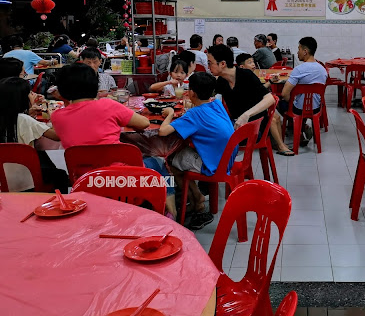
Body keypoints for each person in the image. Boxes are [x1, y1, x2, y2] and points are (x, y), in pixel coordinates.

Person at [51, 64, 177, 217]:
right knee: (158, 162)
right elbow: (144, 123)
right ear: (94, 85)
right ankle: (169, 212)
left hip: (86, 183)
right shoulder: (107, 105)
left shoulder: (57, 117)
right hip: (123, 181)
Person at [159, 72, 236, 230]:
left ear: (191, 93)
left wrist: (170, 114)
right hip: (226, 157)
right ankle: (195, 196)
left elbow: (163, 131)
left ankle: (196, 199)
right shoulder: (216, 104)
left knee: (169, 161)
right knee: (182, 152)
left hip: (215, 164)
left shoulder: (194, 114)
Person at [208, 45, 294, 157]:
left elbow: (270, 99)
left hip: (255, 128)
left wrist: (246, 115)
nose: (208, 66)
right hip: (237, 125)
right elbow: (207, 95)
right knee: (208, 134)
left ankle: (220, 169)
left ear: (222, 64)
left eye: (210, 63)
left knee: (212, 139)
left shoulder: (246, 75)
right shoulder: (221, 81)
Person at [0, 77, 68, 192]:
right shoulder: (24, 120)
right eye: (30, 93)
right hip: (26, 179)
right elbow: (57, 136)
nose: (33, 95)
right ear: (21, 98)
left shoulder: (10, 118)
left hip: (3, 178)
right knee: (61, 175)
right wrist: (53, 117)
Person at [280, 37, 328, 147]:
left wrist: (291, 101)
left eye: (299, 49)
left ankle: (298, 129)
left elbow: (284, 93)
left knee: (281, 103)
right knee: (300, 103)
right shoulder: (322, 69)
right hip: (316, 108)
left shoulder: (299, 69)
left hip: (299, 109)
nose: (297, 52)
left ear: (305, 51)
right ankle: (303, 128)